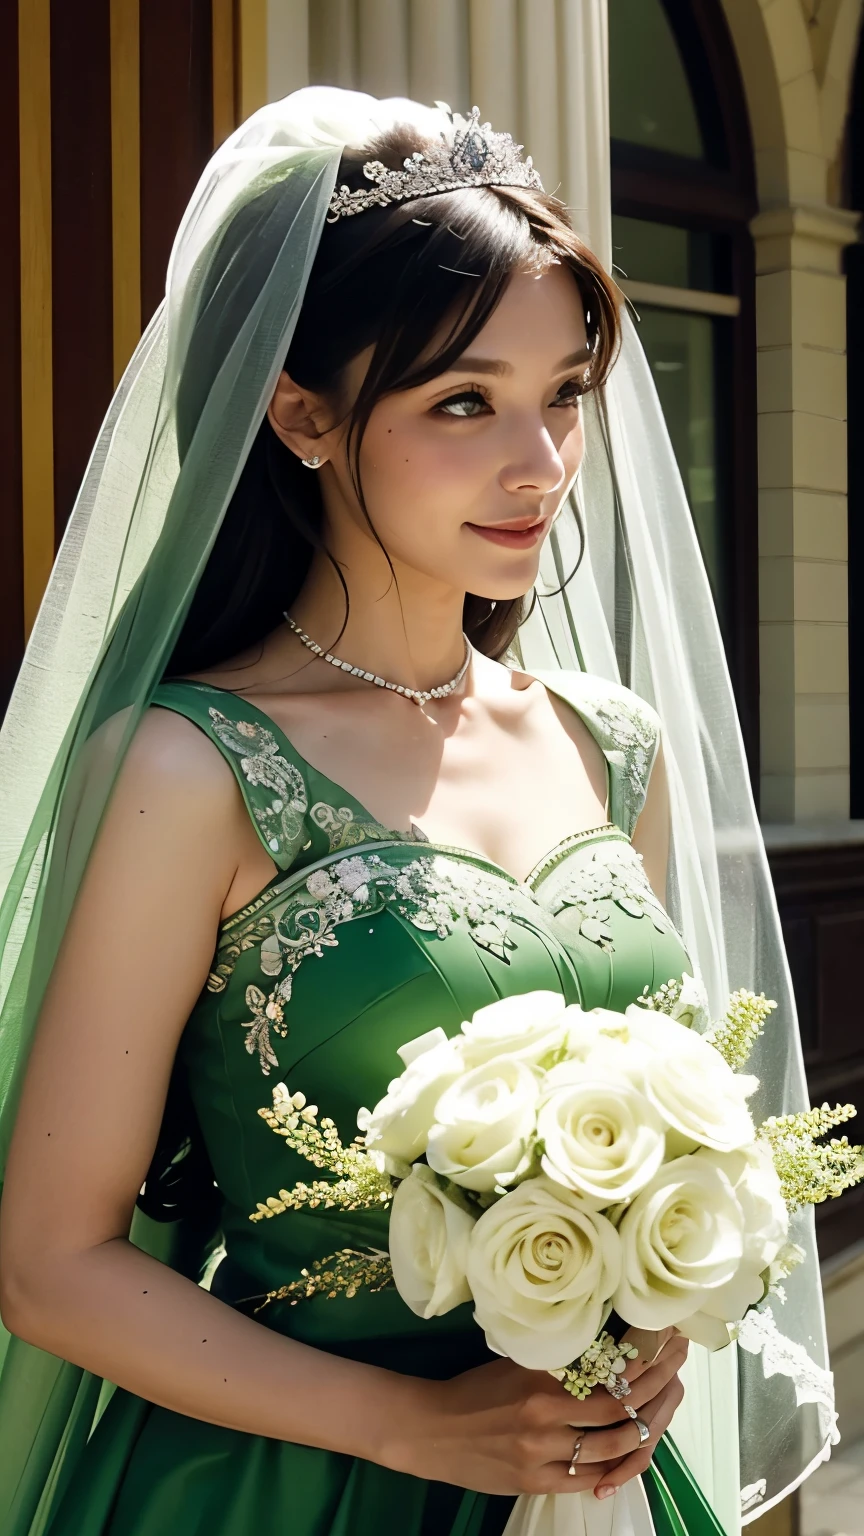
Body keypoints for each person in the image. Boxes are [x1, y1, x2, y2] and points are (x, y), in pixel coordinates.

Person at [0, 90, 833, 1536]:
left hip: (598, 1483)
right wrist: (418, 1429)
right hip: (290, 1484)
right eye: (465, 402)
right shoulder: (186, 768)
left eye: (563, 392)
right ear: (303, 413)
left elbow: (692, 1151)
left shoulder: (610, 746)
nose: (541, 465)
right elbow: (48, 1263)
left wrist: (661, 1316)